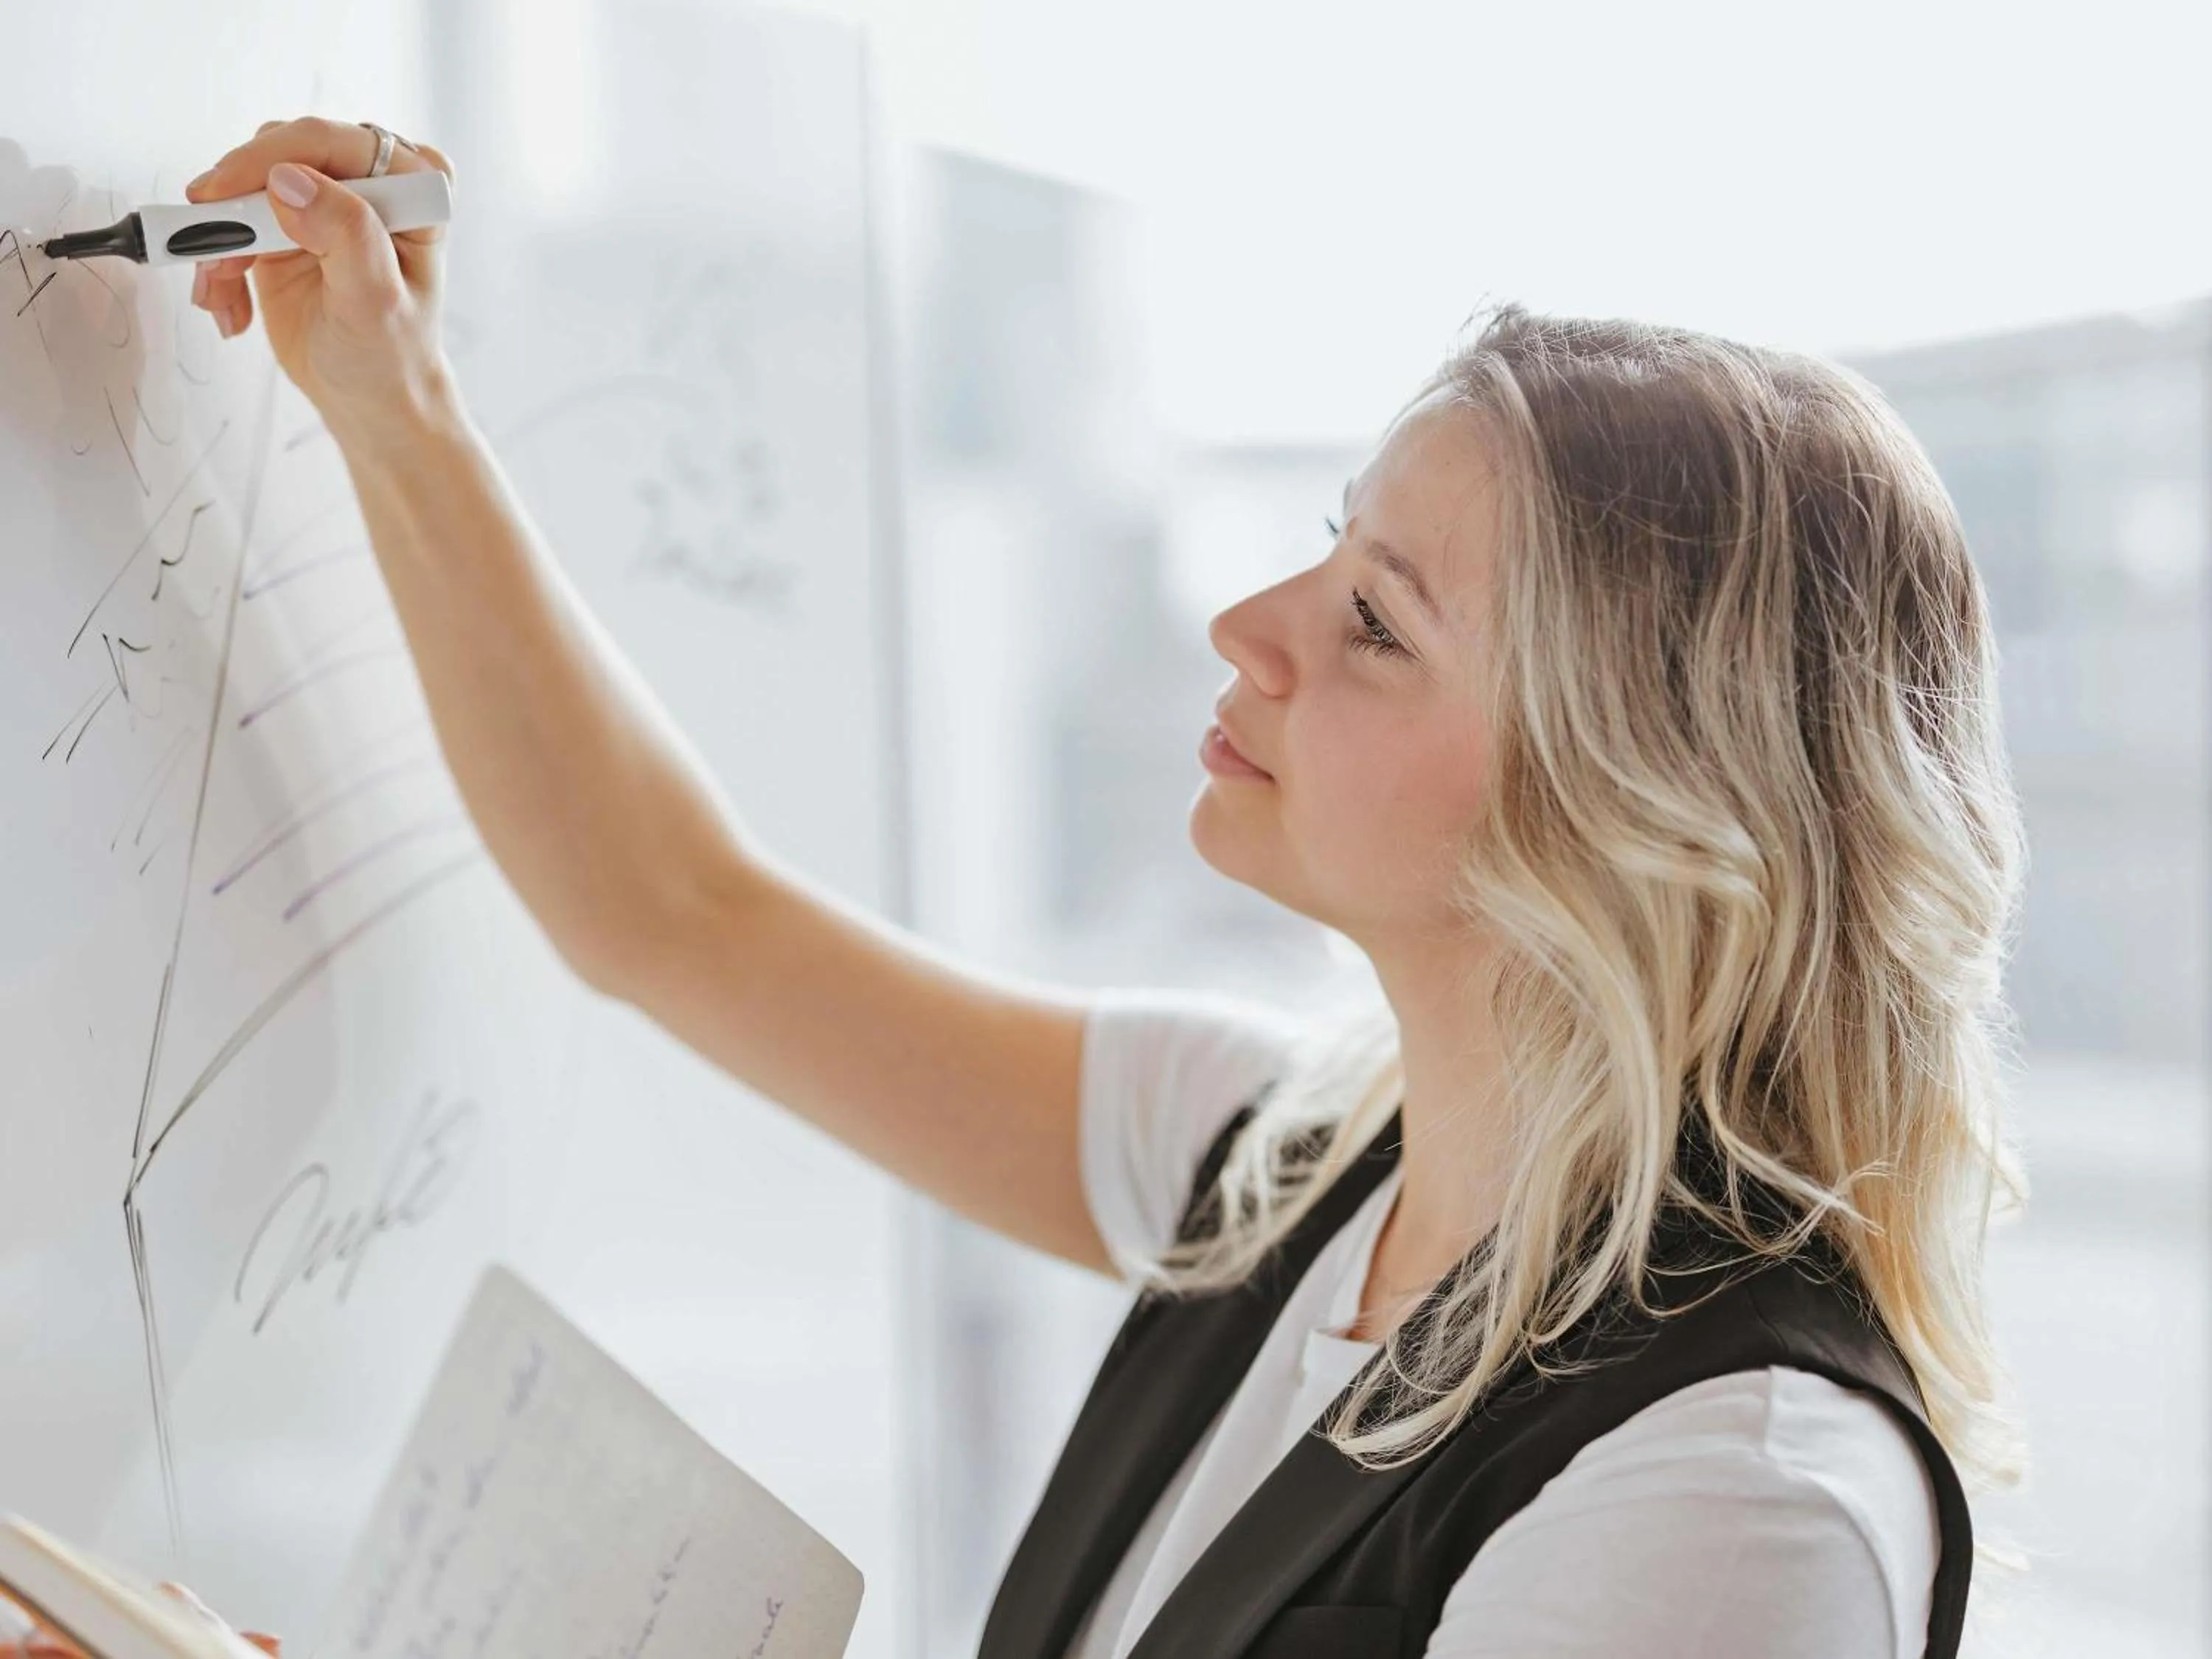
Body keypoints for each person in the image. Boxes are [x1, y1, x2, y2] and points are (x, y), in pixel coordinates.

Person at [16, 116, 2028, 1659]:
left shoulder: (1733, 1497)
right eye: (1327, 546)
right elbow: (669, 913)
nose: (1249, 627)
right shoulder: (1289, 1170)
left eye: (1377, 622)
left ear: (1628, 806)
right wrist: (395, 403)